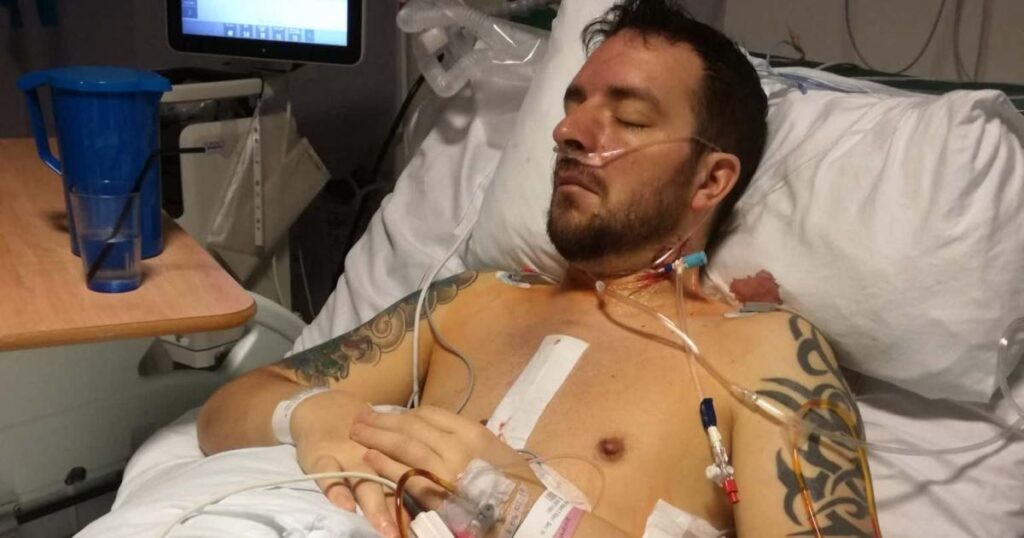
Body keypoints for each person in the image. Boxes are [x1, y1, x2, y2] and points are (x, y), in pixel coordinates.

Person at [197, 1, 875, 536]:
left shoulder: (764, 354)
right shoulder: (471, 303)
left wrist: (523, 512)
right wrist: (311, 415)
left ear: (709, 181)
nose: (569, 133)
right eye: (574, 106)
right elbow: (228, 409)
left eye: (629, 117)